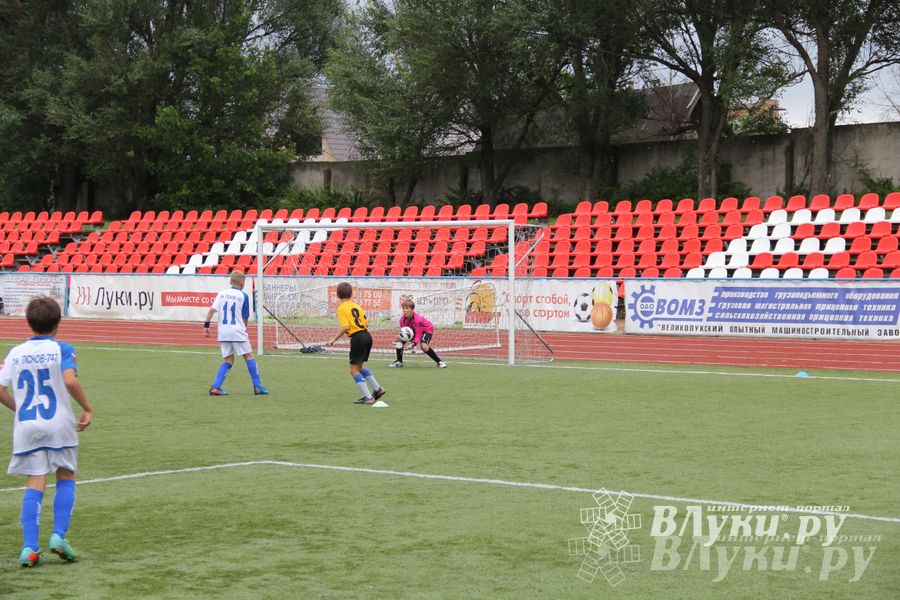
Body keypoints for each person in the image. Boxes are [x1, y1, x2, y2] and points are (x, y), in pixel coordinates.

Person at [0, 296, 93, 567]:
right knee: (66, 474)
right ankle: (58, 536)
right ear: (58, 323)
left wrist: (20, 409)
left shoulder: (15, 352)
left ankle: (29, 548)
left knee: (35, 480)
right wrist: (87, 407)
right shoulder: (62, 349)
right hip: (58, 423)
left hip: (27, 426)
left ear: (28, 323)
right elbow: (68, 379)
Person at [204, 270, 269, 396]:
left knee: (228, 360)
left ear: (230, 282)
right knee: (249, 356)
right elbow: (245, 317)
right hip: (237, 330)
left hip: (223, 332)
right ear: (242, 282)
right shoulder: (243, 296)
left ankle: (215, 387)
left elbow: (212, 310)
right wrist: (245, 330)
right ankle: (257, 386)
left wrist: (206, 326)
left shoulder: (221, 294)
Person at [326, 282, 386, 405]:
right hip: (367, 336)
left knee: (353, 370)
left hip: (358, 337)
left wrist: (333, 339)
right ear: (351, 294)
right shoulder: (357, 306)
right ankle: (378, 389)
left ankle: (368, 397)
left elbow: (345, 327)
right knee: (359, 367)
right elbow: (366, 323)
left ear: (337, 295)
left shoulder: (341, 308)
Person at [390, 298, 447, 368]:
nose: (404, 310)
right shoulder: (402, 320)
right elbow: (405, 333)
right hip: (414, 331)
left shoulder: (418, 320)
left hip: (427, 329)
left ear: (412, 309)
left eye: (407, 308)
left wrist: (413, 343)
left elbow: (418, 333)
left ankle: (440, 362)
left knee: (423, 346)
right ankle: (399, 361)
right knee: (398, 340)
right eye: (403, 308)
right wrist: (400, 340)